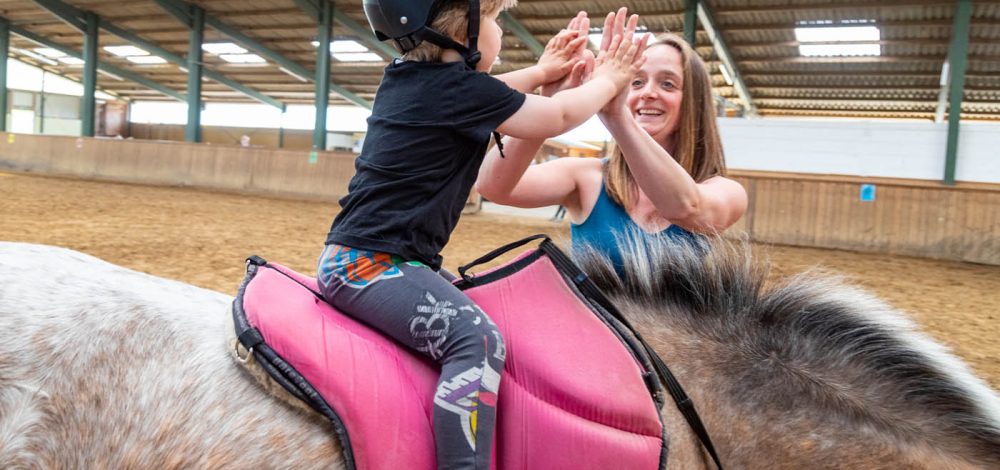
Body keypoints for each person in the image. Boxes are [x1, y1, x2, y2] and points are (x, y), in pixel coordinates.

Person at [316, 2, 647, 468]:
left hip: (364, 258)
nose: (499, 33)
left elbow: (494, 90)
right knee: (478, 339)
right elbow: (554, 119)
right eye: (495, 22)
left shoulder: (411, 80)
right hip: (372, 266)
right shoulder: (457, 92)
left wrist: (543, 70)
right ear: (459, 29)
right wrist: (610, 79)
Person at [477, 27, 748, 271]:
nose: (648, 93)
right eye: (636, 82)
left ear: (693, 103)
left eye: (668, 83)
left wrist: (618, 118)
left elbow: (684, 208)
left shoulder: (725, 191)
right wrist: (547, 102)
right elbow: (493, 187)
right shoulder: (586, 176)